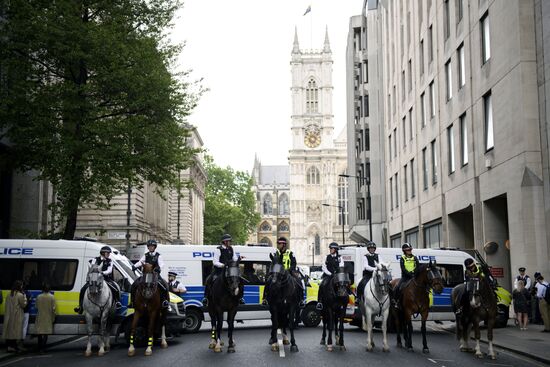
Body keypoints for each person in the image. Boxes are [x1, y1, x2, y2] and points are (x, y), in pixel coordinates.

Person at [74, 246, 122, 314]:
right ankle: (80, 306)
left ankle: (117, 302)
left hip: (105, 278)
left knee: (115, 287)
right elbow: (91, 267)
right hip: (94, 278)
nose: (108, 254)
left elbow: (109, 270)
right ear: (102, 253)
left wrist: (102, 273)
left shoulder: (110, 261)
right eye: (107, 253)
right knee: (83, 289)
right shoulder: (94, 259)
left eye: (109, 253)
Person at [263, 237, 305, 307]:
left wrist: (288, 270)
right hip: (278, 272)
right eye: (278, 243)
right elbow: (274, 263)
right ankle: (265, 298)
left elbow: (294, 263)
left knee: (299, 281)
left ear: (284, 245)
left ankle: (301, 300)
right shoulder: (276, 253)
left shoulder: (290, 253)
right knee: (268, 280)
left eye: (279, 244)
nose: (278, 245)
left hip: (289, 272)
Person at [202, 234, 241, 306]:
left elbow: (234, 258)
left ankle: (240, 297)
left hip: (229, 270)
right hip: (219, 270)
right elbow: (215, 262)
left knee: (238, 279)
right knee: (209, 279)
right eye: (229, 241)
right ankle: (206, 297)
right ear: (225, 242)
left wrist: (239, 259)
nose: (230, 242)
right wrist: (223, 265)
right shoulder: (218, 249)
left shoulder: (231, 249)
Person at [131, 239, 170, 308]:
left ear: (155, 247)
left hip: (155, 275)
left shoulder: (158, 256)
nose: (151, 247)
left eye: (152, 246)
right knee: (135, 284)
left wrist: (159, 268)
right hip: (146, 275)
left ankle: (165, 301)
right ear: (148, 247)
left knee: (164, 285)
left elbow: (162, 264)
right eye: (149, 246)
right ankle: (132, 301)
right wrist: (134, 266)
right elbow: (140, 262)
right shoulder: (146, 255)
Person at [316, 242, 344, 311]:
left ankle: (343, 302)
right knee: (322, 285)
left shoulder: (340, 258)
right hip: (328, 276)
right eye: (330, 248)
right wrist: (330, 273)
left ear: (336, 249)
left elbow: (341, 266)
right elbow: (324, 267)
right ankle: (319, 302)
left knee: (344, 285)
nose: (330, 249)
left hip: (337, 276)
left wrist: (337, 273)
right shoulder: (327, 257)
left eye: (331, 248)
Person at [392, 243, 419, 309]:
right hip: (405, 277)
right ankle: (396, 302)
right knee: (397, 287)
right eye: (408, 250)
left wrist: (414, 273)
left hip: (414, 276)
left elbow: (417, 266)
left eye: (410, 249)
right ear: (404, 251)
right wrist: (409, 274)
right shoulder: (402, 258)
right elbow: (403, 268)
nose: (409, 251)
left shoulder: (415, 258)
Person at [3, 280, 27, 353]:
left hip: (9, 315)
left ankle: (9, 347)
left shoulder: (9, 294)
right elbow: (24, 305)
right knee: (15, 332)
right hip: (17, 315)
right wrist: (25, 298)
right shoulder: (20, 295)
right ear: (19, 286)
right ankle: (14, 347)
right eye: (21, 285)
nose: (22, 287)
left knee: (10, 331)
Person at [35, 283, 56, 354]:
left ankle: (39, 348)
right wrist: (53, 317)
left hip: (40, 316)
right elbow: (53, 308)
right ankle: (42, 349)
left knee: (40, 334)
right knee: (46, 334)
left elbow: (36, 307)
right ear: (49, 289)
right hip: (48, 317)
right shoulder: (52, 297)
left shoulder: (38, 296)